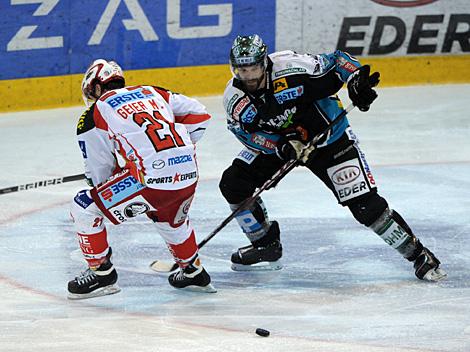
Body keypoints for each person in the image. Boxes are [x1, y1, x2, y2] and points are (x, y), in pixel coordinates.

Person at [219, 34, 447, 281]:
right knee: (234, 182)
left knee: (365, 206)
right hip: (284, 144)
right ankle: (265, 245)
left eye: (253, 68)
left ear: (264, 63)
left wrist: (356, 80)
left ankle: (419, 255)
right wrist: (280, 147)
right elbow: (244, 133)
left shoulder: (292, 67)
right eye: (243, 70)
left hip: (329, 138)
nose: (249, 76)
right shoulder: (234, 99)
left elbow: (339, 61)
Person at [68, 59, 215, 299]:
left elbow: (101, 174)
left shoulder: (95, 113)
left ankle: (101, 274)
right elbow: (200, 115)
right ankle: (192, 272)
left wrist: (138, 163)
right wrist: (170, 151)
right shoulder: (152, 92)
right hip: (188, 172)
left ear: (95, 87)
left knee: (84, 207)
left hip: (152, 179)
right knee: (170, 219)